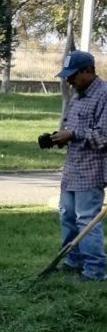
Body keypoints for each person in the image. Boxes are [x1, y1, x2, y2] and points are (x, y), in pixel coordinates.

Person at [47, 49, 107, 280]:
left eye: (72, 75)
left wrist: (72, 136)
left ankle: (94, 270)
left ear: (88, 71)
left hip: (92, 171)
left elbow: (103, 135)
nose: (69, 80)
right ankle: (73, 261)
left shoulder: (103, 95)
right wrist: (56, 138)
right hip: (72, 169)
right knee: (67, 216)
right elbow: (70, 128)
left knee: (86, 220)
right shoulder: (77, 95)